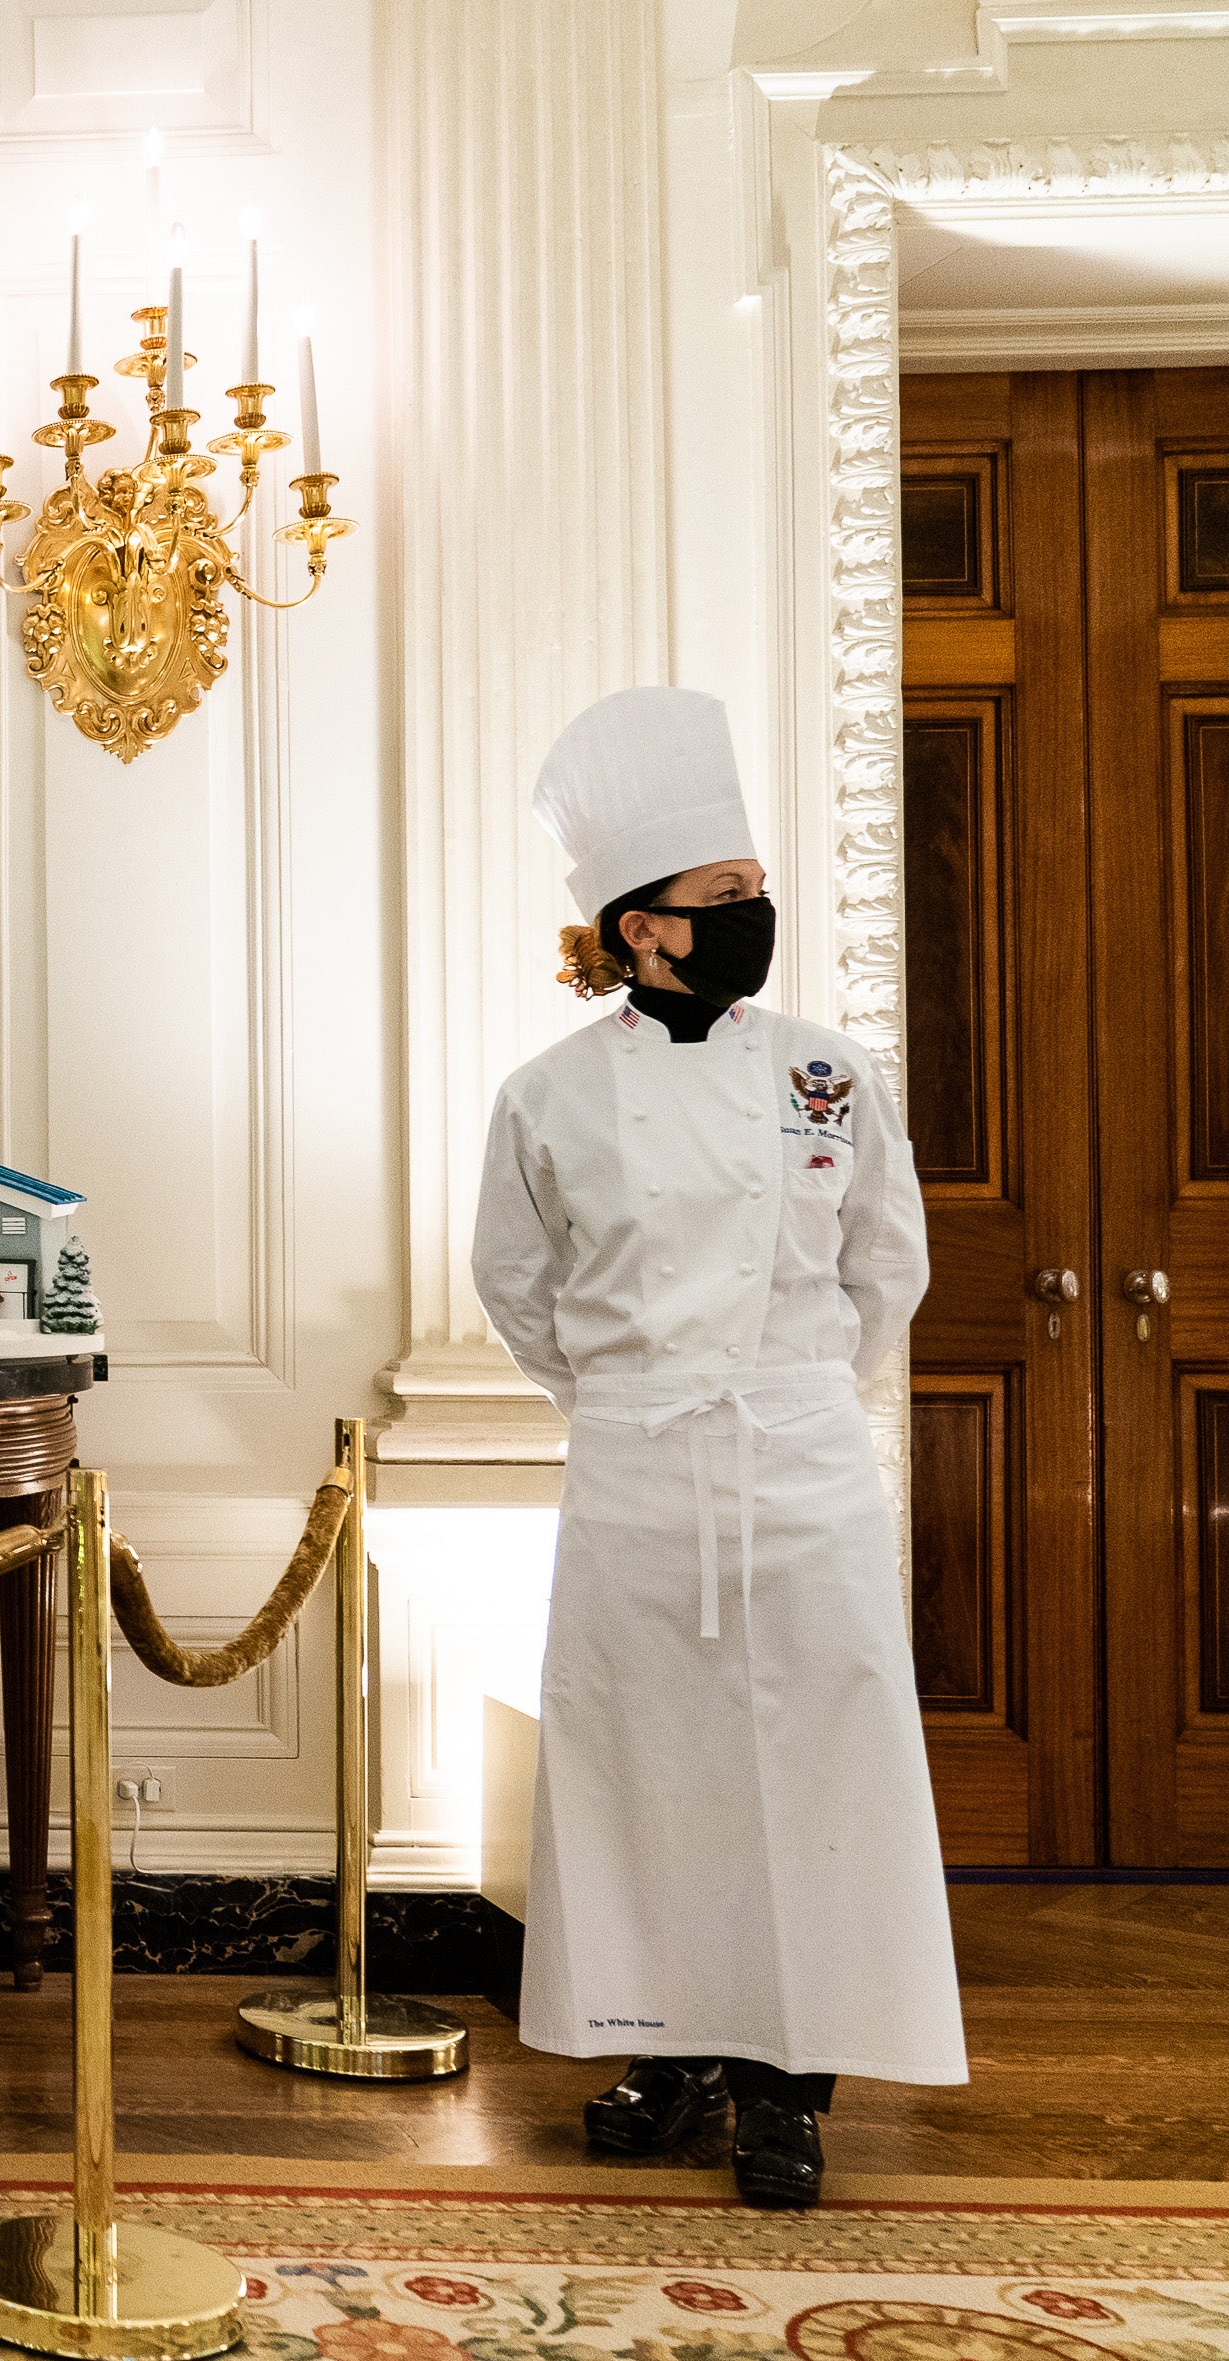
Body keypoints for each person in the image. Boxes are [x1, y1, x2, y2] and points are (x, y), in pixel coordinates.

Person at [472, 687, 959, 2209]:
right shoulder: (549, 1095)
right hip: (634, 1468)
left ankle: (789, 2083)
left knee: (814, 1766)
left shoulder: (829, 1074)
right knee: (645, 1766)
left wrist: (791, 1390)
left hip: (800, 1465)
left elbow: (889, 1270)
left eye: (756, 893)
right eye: (723, 899)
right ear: (643, 930)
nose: (753, 917)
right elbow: (517, 1286)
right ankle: (659, 2043)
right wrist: (634, 1395)